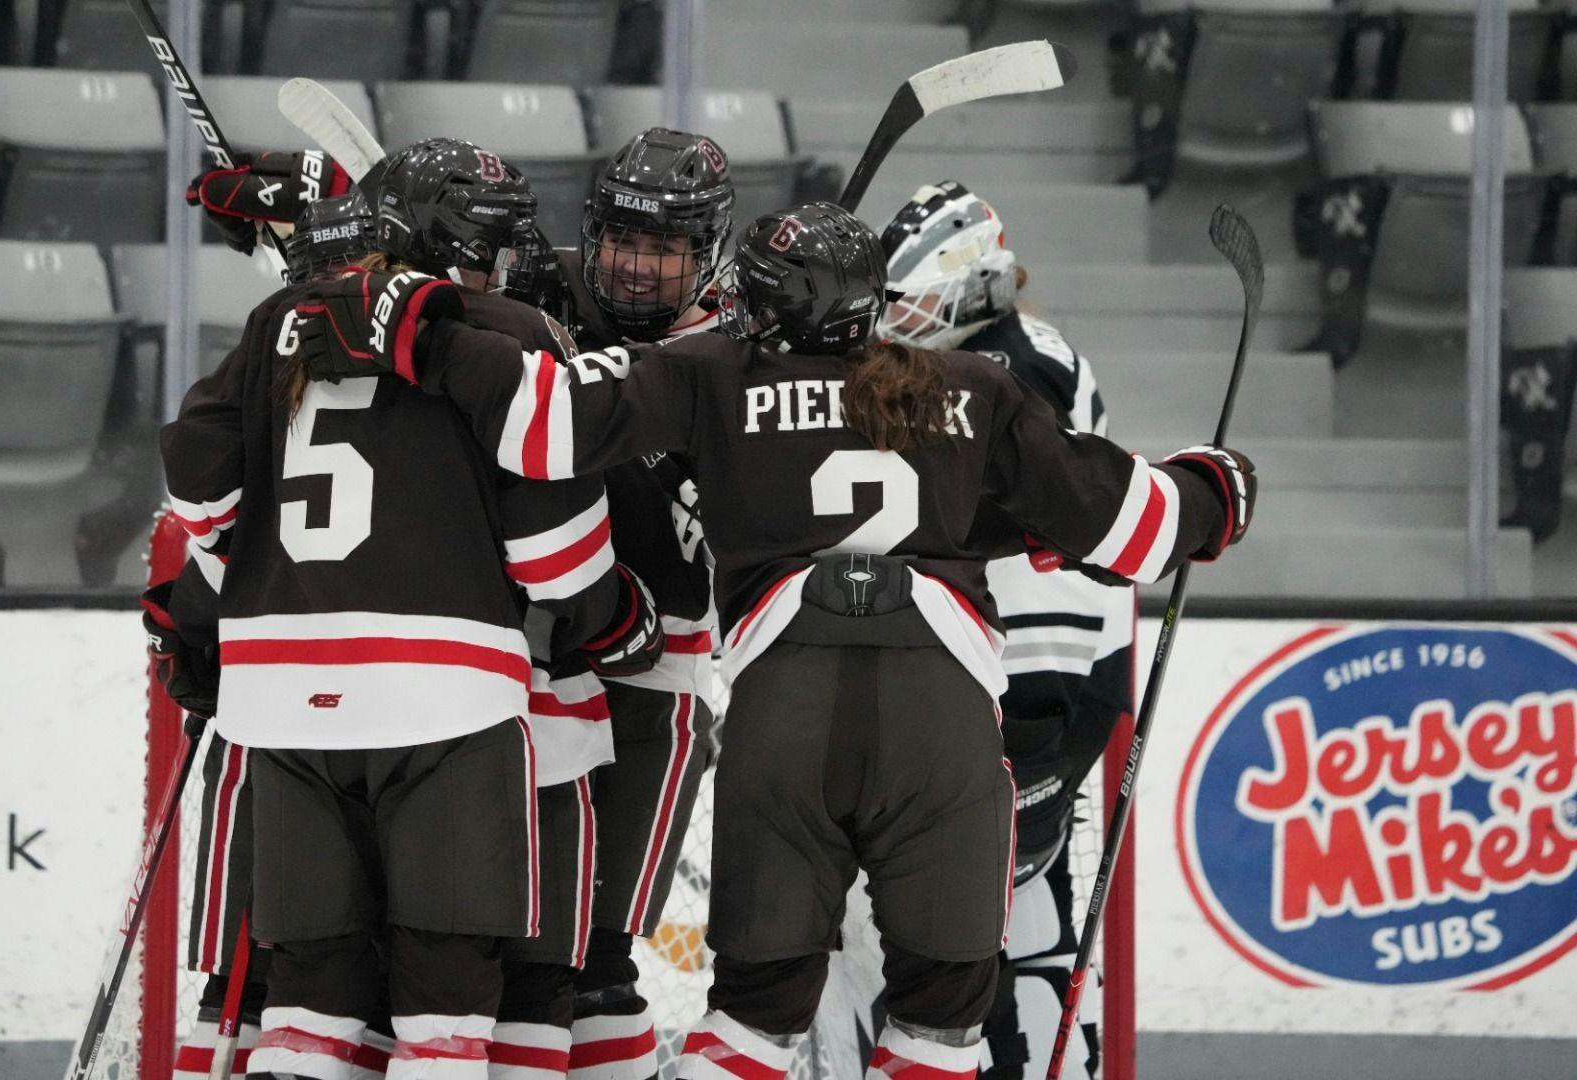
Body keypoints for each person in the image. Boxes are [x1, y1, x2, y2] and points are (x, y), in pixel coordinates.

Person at [293, 200, 1257, 1080]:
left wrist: (415, 326)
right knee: (937, 1024)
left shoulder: (710, 371)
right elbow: (1140, 529)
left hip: (783, 717)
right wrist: (1218, 486)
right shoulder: (971, 387)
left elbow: (537, 423)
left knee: (754, 1017)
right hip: (943, 723)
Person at [157, 140, 661, 1080]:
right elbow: (554, 555)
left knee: (304, 994)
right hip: (450, 698)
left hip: (280, 703)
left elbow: (201, 504)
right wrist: (615, 618)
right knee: (456, 997)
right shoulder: (502, 328)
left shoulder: (276, 320)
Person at [875, 180, 1136, 1080]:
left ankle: (1013, 1062)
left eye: (909, 299)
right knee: (1017, 905)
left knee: (981, 917)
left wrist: (1031, 722)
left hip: (1039, 679)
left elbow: (1040, 553)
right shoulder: (1003, 354)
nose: (895, 320)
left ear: (968, 283)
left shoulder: (1019, 371)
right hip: (1033, 676)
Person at [159, 190, 379, 1080]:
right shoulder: (441, 356)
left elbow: (204, 497)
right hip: (369, 710)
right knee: (305, 979)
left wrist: (193, 614)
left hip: (273, 706)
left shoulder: (268, 338)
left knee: (263, 979)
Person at [549, 128, 732, 1080]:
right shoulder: (549, 298)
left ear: (706, 253)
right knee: (519, 959)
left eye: (661, 248)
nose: (632, 265)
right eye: (621, 239)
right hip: (533, 678)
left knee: (599, 965)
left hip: (655, 694)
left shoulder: (744, 357)